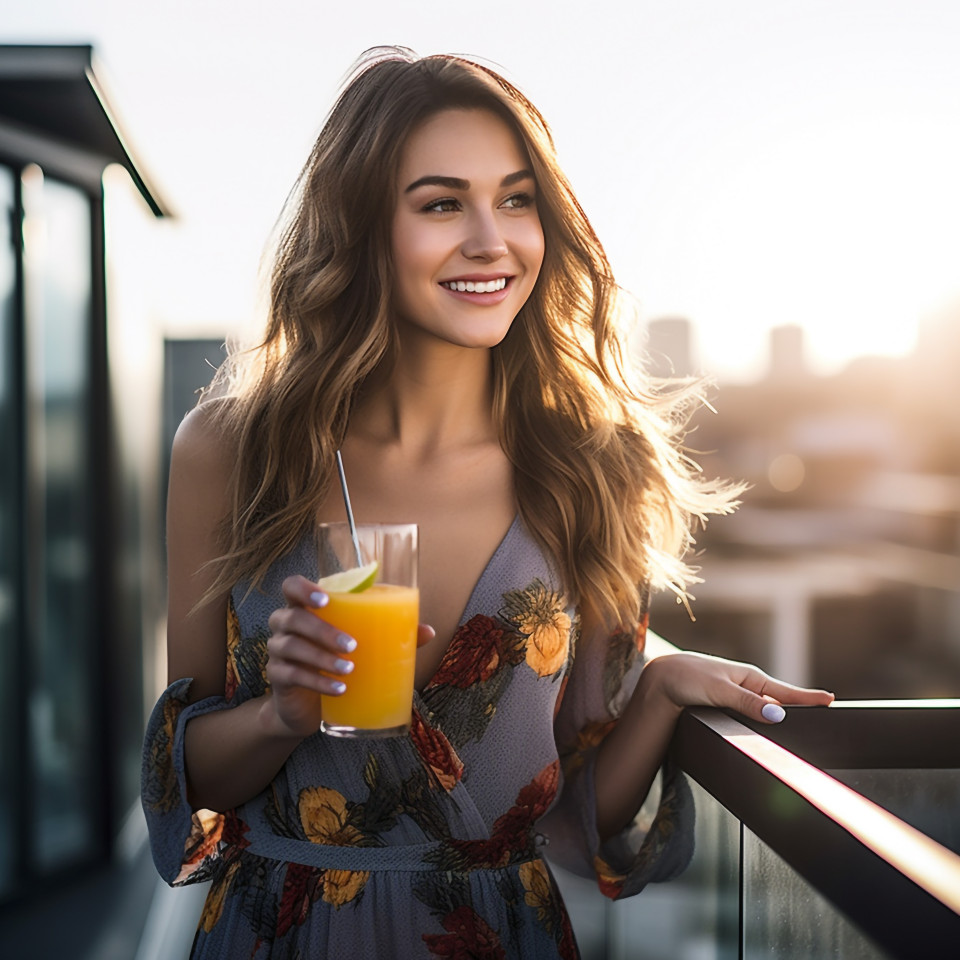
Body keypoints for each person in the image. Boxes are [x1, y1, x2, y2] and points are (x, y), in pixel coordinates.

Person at [141, 46, 834, 959]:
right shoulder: (231, 452)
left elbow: (579, 816)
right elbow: (183, 772)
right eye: (440, 203)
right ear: (360, 229)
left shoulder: (591, 467)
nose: (491, 239)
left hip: (504, 937)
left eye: (515, 199)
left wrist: (662, 689)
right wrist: (283, 713)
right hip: (281, 937)